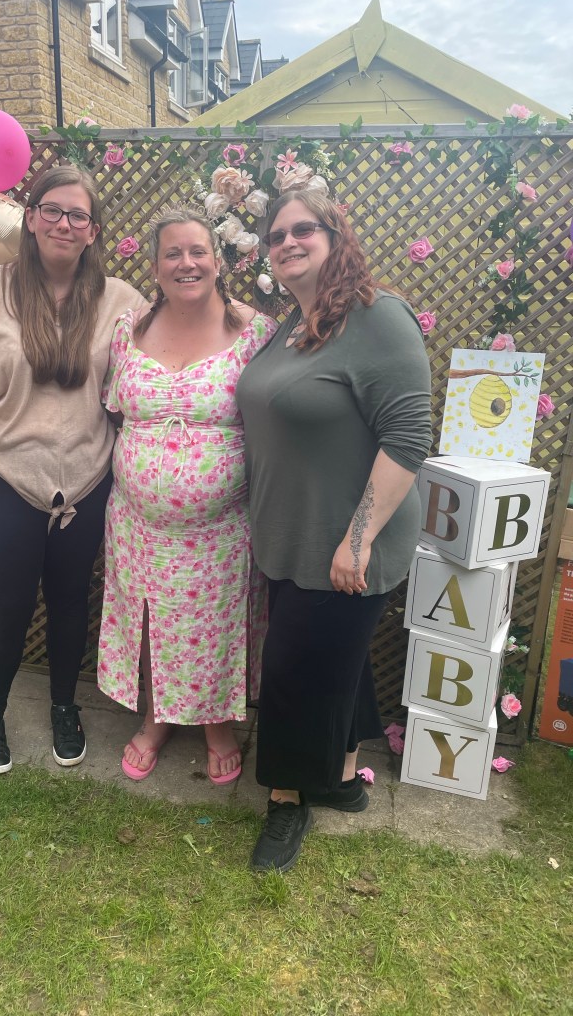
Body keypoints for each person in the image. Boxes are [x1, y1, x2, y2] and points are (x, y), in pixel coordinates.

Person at [236, 190, 432, 872]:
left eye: (304, 229)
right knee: (331, 657)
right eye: (276, 235)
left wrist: (358, 538)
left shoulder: (377, 317)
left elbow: (408, 435)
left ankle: (287, 800)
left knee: (293, 670)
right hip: (291, 535)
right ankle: (343, 780)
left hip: (346, 541)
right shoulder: (293, 323)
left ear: (335, 235)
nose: (287, 242)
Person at [0, 165, 145, 775]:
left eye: (78, 215)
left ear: (93, 231)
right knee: (9, 604)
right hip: (4, 476)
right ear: (30, 218)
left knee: (73, 601)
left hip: (87, 480)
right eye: (52, 210)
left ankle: (64, 707)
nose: (64, 223)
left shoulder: (121, 301)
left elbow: (163, 358)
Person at [96, 208, 277, 784]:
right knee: (148, 620)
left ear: (218, 261)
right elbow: (112, 411)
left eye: (198, 251)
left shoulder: (257, 333)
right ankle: (156, 717)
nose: (186, 263)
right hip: (137, 524)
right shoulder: (128, 331)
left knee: (215, 623)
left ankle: (218, 724)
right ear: (155, 267)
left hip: (219, 528)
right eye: (172, 253)